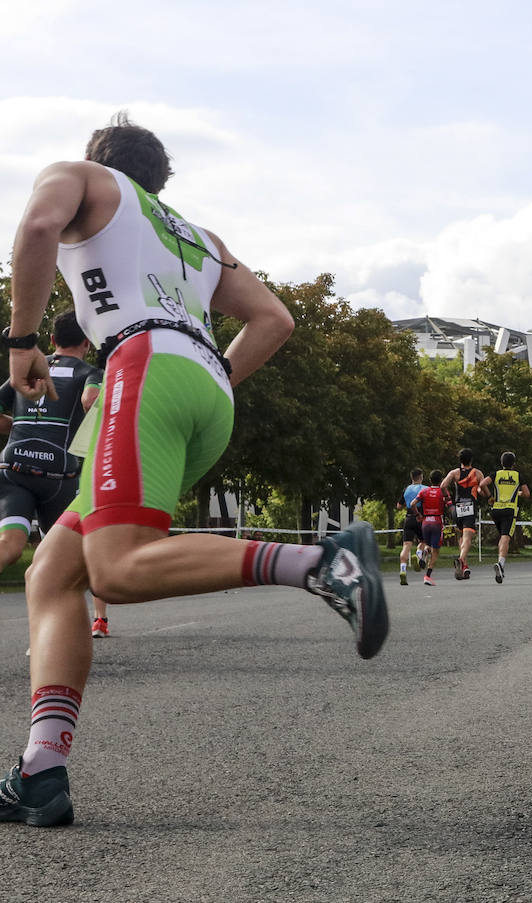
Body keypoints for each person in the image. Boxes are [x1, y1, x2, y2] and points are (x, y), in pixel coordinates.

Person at [0, 114, 387, 828]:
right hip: (205, 388)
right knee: (53, 571)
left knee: (117, 569)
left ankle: (325, 561)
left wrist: (22, 339)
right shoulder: (198, 238)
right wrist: (209, 376)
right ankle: (41, 773)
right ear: (160, 181)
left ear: (102, 162)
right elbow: (274, 319)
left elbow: (34, 230)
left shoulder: (79, 177)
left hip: (143, 367)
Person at [0, 312, 109, 636]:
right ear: (87, 343)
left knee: (9, 544)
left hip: (13, 467)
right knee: (72, 558)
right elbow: (90, 401)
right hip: (57, 476)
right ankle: (78, 628)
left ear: (51, 341)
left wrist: (16, 426)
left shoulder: (29, 365)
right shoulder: (90, 371)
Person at [480, 451, 529, 584]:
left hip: (496, 509)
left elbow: (482, 484)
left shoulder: (496, 474)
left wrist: (490, 496)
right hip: (509, 510)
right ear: (513, 464)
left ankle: (500, 562)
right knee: (505, 537)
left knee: (502, 536)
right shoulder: (518, 476)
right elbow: (526, 493)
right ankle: (501, 564)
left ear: (501, 463)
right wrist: (517, 493)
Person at [440, 449, 485, 580]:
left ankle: (464, 566)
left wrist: (448, 499)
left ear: (460, 460)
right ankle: (460, 560)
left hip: (458, 508)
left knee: (461, 537)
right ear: (471, 460)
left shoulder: (454, 473)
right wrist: (483, 493)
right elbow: (482, 489)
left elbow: (443, 486)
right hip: (470, 508)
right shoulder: (477, 473)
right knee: (467, 538)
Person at [410, 470, 448, 586]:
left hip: (426, 521)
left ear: (430, 480)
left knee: (427, 544)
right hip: (437, 521)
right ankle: (427, 576)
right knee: (435, 551)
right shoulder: (443, 491)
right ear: (441, 480)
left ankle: (424, 553)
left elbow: (412, 504)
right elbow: (448, 503)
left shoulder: (424, 491)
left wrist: (418, 515)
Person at [397, 467, 428, 586]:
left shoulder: (406, 489)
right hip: (421, 518)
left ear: (412, 478)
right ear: (420, 477)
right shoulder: (425, 488)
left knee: (406, 546)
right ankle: (419, 554)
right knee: (424, 541)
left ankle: (403, 570)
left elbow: (399, 506)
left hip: (408, 519)